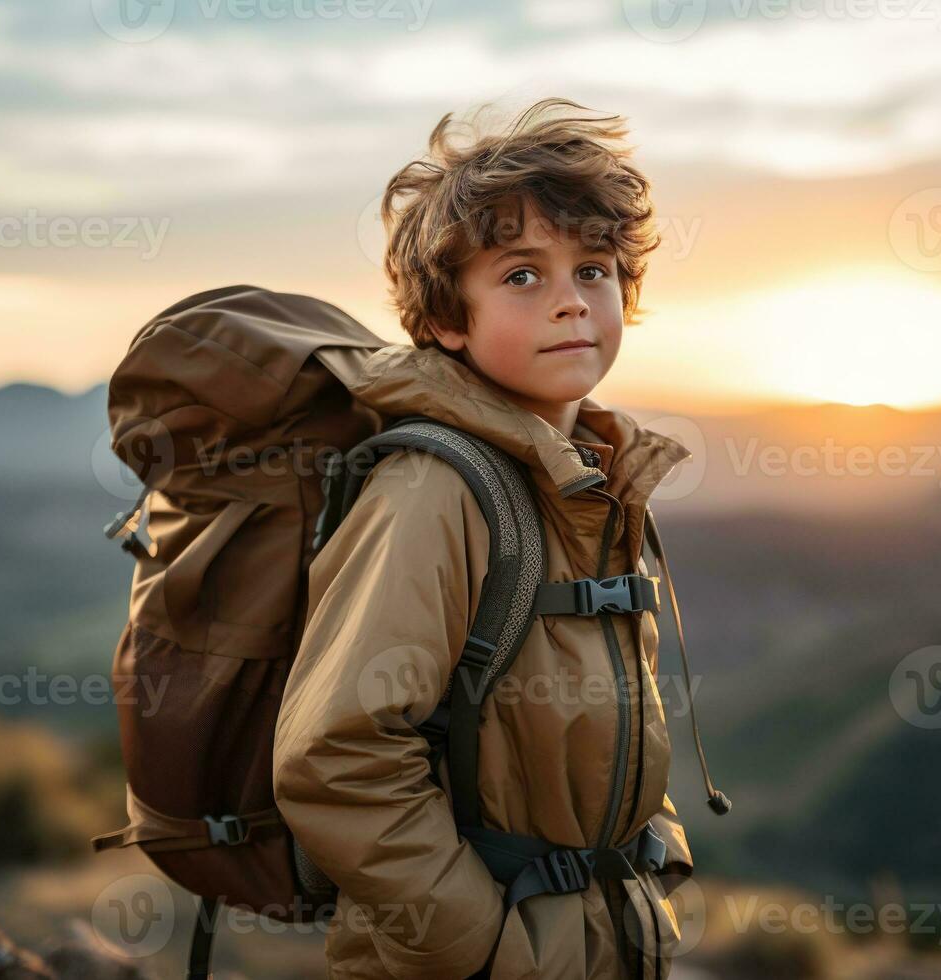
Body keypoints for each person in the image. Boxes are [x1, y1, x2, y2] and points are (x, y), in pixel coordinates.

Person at [273, 96, 697, 979]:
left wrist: (648, 865)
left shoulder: (589, 481)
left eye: (594, 268)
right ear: (445, 321)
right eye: (520, 277)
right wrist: (483, 953)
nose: (571, 303)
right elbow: (336, 756)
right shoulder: (436, 490)